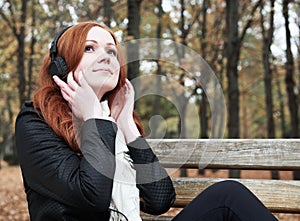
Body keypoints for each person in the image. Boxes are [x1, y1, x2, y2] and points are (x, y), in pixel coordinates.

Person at [15, 21, 277, 221]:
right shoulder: (35, 121)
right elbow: (90, 198)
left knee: (228, 196)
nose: (106, 56)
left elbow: (159, 200)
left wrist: (127, 126)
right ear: (61, 66)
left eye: (111, 51)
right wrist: (94, 119)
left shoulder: (112, 121)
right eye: (89, 48)